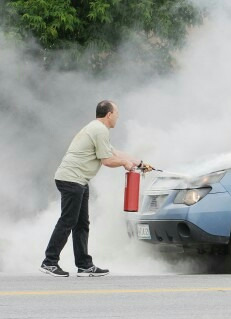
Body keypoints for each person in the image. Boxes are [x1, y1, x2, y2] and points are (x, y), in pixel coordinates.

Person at [40, 100, 152, 277]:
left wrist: (139, 162)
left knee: (82, 224)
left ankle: (84, 265)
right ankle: (49, 262)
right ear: (109, 115)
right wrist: (125, 163)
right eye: (117, 114)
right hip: (71, 180)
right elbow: (107, 161)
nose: (118, 117)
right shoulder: (99, 130)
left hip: (79, 181)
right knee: (68, 221)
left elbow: (114, 153)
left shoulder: (98, 129)